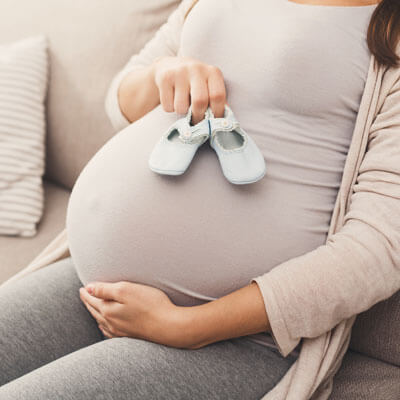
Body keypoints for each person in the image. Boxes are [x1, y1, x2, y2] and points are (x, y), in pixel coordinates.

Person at [1, 0, 399, 399]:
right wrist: (162, 73)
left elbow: (377, 250)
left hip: (234, 339)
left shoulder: (389, 32)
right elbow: (120, 100)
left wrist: (186, 327)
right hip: (98, 285)